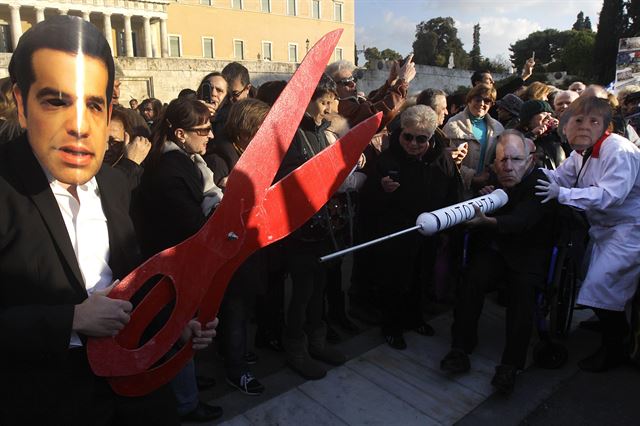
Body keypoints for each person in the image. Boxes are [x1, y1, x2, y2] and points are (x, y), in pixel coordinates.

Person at [0, 16, 216, 425]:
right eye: (55, 101)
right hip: (45, 400)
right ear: (22, 103)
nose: (80, 126)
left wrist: (176, 323)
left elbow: (136, 280)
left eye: (93, 105)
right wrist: (72, 320)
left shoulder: (117, 185)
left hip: (137, 390)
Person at [440, 130, 557, 394]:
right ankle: (460, 349)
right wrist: (487, 199)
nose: (508, 166)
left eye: (516, 160)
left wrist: (489, 219)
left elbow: (522, 221)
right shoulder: (497, 181)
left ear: (530, 161)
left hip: (528, 256)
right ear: (494, 163)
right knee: (471, 280)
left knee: (522, 296)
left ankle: (510, 365)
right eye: (502, 160)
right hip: (497, 252)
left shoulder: (540, 183)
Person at [133, 97, 224, 421]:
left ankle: (188, 383)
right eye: (204, 130)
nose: (210, 136)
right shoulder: (171, 172)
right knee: (178, 331)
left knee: (183, 332)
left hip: (175, 264)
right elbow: (194, 228)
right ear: (181, 134)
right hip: (173, 268)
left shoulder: (183, 161)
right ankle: (187, 401)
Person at [535, 96, 640, 372]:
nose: (580, 127)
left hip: (630, 229)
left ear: (604, 125)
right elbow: (560, 177)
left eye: (590, 121)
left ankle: (614, 349)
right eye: (576, 122)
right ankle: (613, 326)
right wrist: (528, 172)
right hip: (606, 229)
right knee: (601, 285)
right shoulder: (581, 152)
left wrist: (563, 194)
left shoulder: (618, 151)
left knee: (600, 283)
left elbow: (610, 196)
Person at [365, 105, 460, 349]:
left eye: (421, 139)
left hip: (429, 233)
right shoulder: (387, 159)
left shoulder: (443, 160)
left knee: (422, 278)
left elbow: (454, 193)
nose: (413, 143)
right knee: (394, 282)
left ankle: (415, 318)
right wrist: (381, 189)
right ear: (400, 133)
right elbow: (368, 200)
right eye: (408, 137)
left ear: (431, 137)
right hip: (396, 234)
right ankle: (392, 327)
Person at [275, 73, 347, 380]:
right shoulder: (291, 133)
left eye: (331, 100)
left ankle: (316, 341)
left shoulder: (322, 131)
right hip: (299, 228)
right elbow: (288, 179)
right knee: (303, 290)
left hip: (322, 224)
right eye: (322, 100)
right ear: (306, 100)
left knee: (319, 287)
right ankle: (296, 348)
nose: (328, 107)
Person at [443, 83, 504, 195]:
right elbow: (445, 160)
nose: (481, 104)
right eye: (477, 99)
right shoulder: (453, 124)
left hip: (486, 190)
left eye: (487, 101)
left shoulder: (498, 128)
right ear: (469, 100)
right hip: (458, 189)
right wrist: (472, 177)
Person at [325, 58, 415, 131]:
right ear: (332, 87)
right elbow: (375, 114)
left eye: (354, 79)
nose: (354, 84)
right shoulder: (340, 108)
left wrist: (391, 81)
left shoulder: (352, 102)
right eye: (347, 82)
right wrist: (403, 81)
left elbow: (371, 102)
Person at [517, 100, 565, 168]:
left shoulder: (555, 136)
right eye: (544, 114)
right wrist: (532, 135)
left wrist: (561, 132)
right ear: (528, 120)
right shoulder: (516, 136)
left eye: (550, 115)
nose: (549, 118)